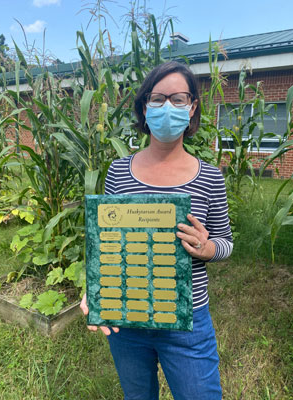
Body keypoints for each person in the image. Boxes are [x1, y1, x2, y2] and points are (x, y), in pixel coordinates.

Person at [80, 61, 233, 400]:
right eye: (158, 98)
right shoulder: (119, 172)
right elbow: (105, 245)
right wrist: (94, 287)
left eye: (178, 99)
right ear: (144, 107)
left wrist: (207, 249)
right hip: (127, 318)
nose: (168, 107)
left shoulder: (209, 177)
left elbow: (226, 242)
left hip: (187, 320)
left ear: (192, 108)